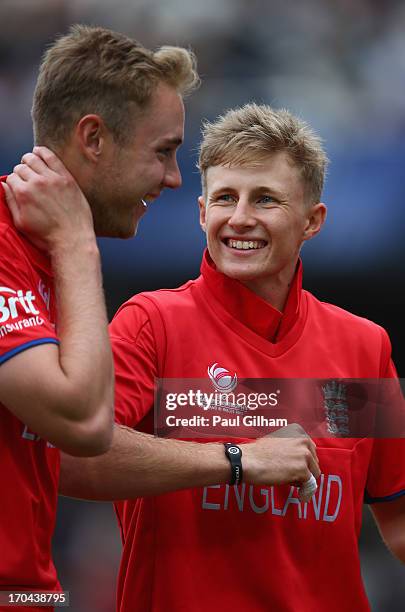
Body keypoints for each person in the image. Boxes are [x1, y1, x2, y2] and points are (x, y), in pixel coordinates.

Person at [57, 103, 405, 612]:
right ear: (202, 213)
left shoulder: (363, 345)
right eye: (225, 198)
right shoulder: (152, 324)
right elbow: (68, 459)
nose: (240, 218)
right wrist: (237, 460)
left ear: (312, 220)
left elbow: (397, 518)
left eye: (265, 199)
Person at [0, 24, 199, 606]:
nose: (176, 179)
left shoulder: (362, 343)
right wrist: (78, 245)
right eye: (163, 151)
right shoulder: (34, 247)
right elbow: (85, 428)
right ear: (93, 137)